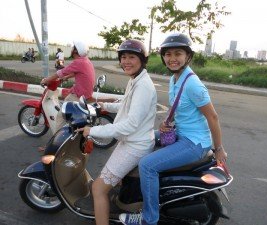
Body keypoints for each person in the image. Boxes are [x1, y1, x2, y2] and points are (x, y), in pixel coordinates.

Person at [119, 33, 228, 225]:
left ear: (188, 56)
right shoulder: (175, 79)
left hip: (195, 143)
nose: (172, 58)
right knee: (142, 136)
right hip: (180, 134)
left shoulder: (193, 84)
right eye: (168, 54)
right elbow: (181, 108)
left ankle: (148, 217)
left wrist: (218, 149)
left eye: (178, 53)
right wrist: (168, 123)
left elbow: (213, 117)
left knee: (147, 165)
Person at [77, 39, 157, 225]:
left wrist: (92, 130)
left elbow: (130, 124)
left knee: (98, 189)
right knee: (108, 183)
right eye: (123, 57)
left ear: (142, 60)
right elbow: (128, 106)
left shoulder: (143, 86)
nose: (126, 61)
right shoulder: (136, 80)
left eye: (131, 57)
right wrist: (104, 106)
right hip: (132, 141)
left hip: (135, 145)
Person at [40, 41, 95, 132]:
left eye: (73, 47)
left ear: (76, 51)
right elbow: (77, 72)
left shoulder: (78, 62)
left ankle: (55, 144)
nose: (71, 49)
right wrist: (66, 77)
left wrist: (47, 80)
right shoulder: (85, 60)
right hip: (86, 93)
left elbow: (60, 73)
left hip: (78, 95)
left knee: (60, 116)